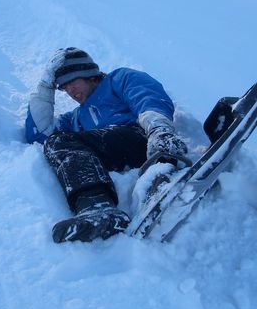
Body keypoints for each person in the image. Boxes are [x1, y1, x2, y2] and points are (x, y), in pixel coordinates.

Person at [25, 47, 188, 243]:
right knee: (56, 142)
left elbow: (146, 97)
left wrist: (159, 130)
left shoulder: (118, 79)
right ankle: (97, 210)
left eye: (72, 82)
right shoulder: (76, 118)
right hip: (115, 154)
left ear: (88, 74)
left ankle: (99, 207)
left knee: (60, 140)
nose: (70, 91)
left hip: (140, 137)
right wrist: (45, 86)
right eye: (63, 87)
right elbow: (39, 133)